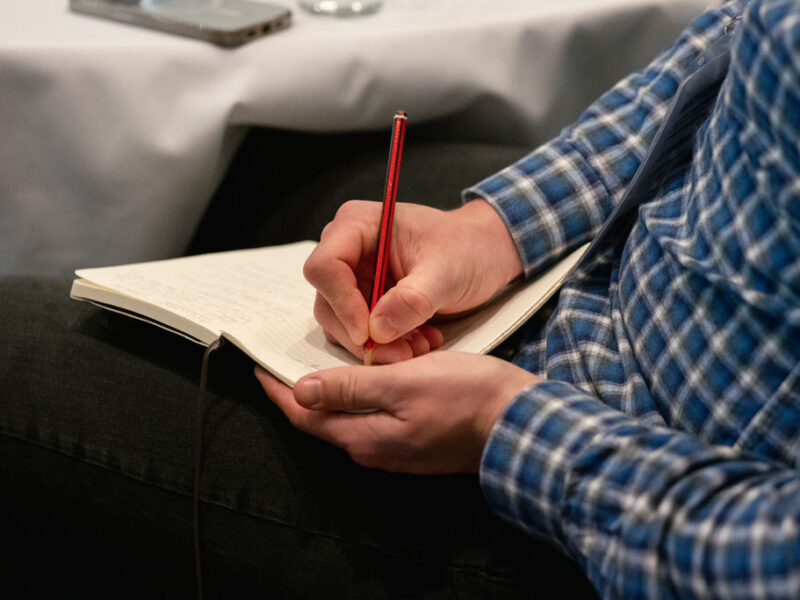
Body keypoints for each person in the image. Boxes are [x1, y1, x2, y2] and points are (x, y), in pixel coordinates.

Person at [1, 0, 798, 598]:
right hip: (598, 288)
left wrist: (504, 428)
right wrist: (498, 228)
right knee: (279, 174)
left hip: (609, 510)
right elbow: (735, 47)